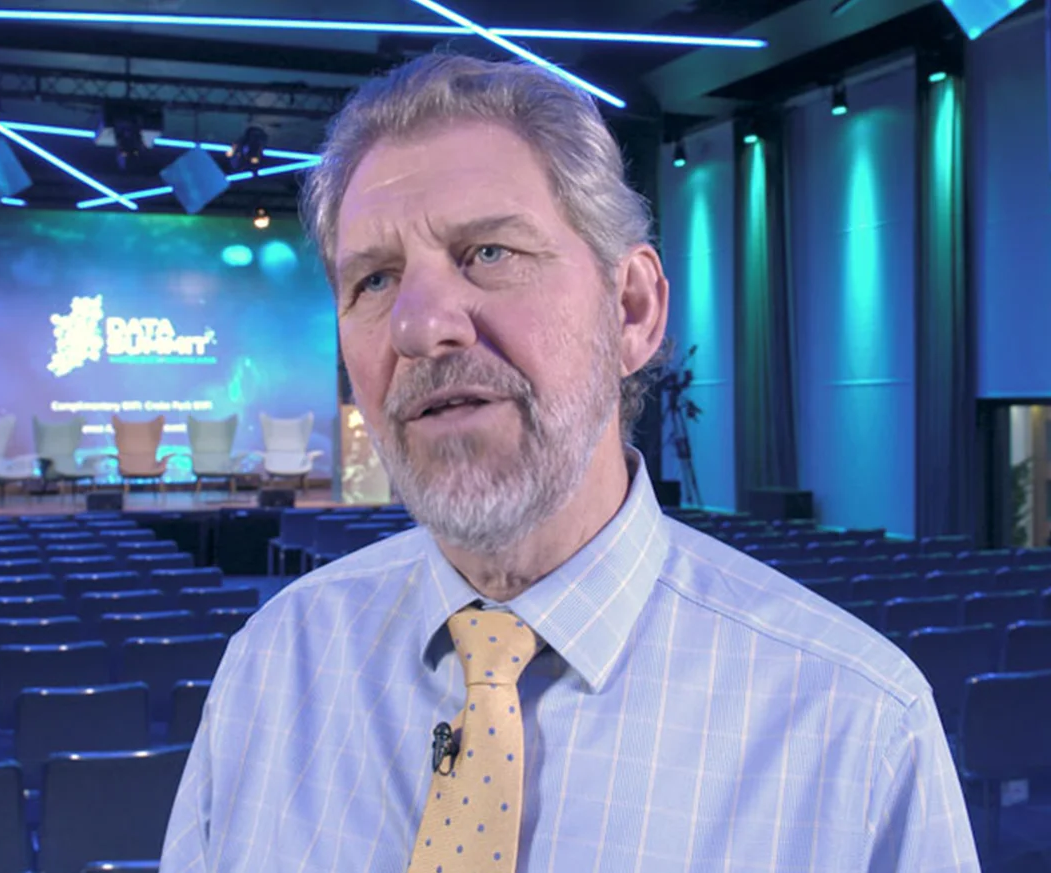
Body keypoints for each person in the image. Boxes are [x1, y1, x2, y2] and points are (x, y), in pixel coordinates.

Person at [160, 53, 979, 872]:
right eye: (374, 280)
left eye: (489, 252)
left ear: (632, 310)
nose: (418, 326)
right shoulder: (271, 669)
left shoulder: (859, 729)